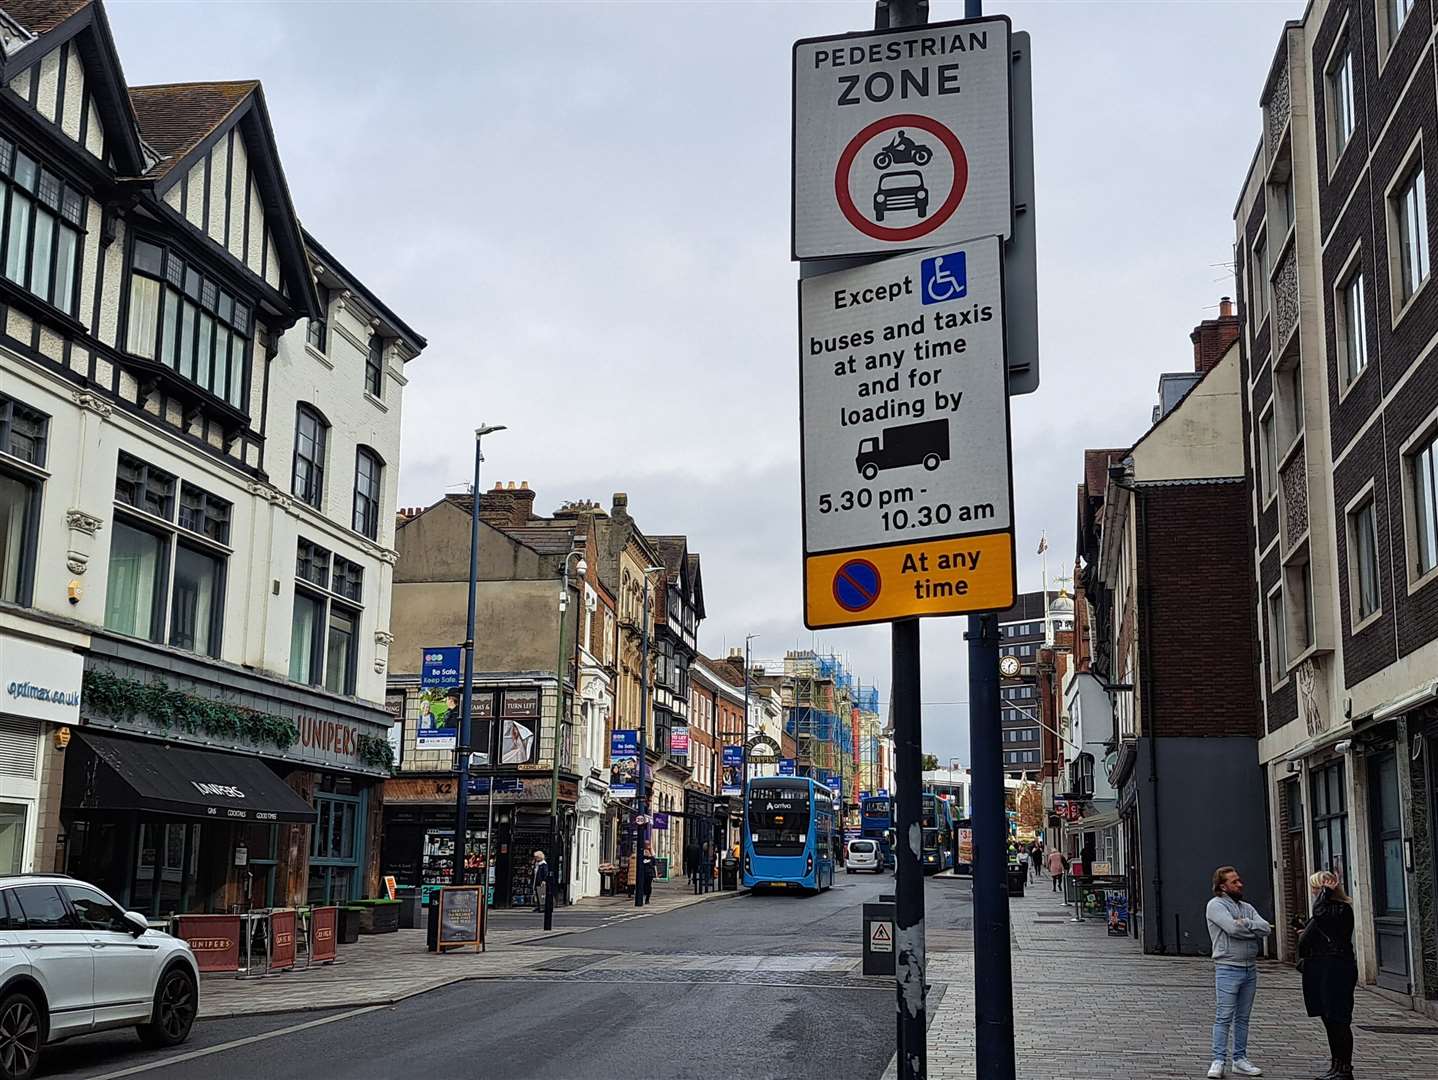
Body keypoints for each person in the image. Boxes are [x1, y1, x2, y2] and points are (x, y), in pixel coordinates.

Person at [1206, 866, 1272, 1078]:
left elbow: (1266, 929)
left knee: (1243, 1017)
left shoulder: (1247, 907)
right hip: (1227, 967)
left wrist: (1247, 924)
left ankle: (1240, 1059)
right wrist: (1250, 931)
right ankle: (1218, 1060)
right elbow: (1232, 929)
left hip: (1250, 968)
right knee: (1223, 1016)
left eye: (1239, 880)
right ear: (1222, 886)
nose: (1240, 884)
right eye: (1234, 882)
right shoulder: (1215, 906)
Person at [1296, 870, 1357, 1080]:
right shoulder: (1330, 911)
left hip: (1335, 970)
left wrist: (1326, 893)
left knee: (1338, 1019)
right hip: (1321, 969)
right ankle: (1336, 1065)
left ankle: (1344, 1069)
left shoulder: (1338, 909)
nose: (1313, 891)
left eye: (1317, 887)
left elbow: (1320, 913)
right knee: (1329, 1020)